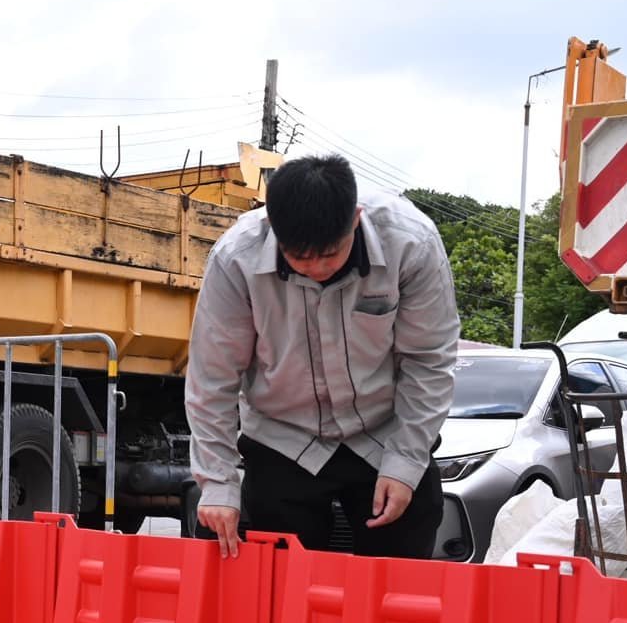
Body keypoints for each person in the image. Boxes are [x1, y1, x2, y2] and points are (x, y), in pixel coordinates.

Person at [185, 154, 459, 560]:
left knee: (406, 545)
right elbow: (213, 377)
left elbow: (428, 361)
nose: (316, 268)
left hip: (381, 431)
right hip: (283, 435)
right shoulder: (235, 259)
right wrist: (219, 485)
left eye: (329, 255)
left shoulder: (411, 243)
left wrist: (404, 464)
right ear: (274, 229)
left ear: (355, 220)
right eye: (300, 258)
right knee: (269, 580)